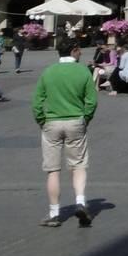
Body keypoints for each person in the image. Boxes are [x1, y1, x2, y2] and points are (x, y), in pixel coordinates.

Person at [33, 37, 97, 227]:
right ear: (74, 50)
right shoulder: (83, 71)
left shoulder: (48, 72)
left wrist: (41, 120)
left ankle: (54, 213)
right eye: (79, 50)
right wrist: (86, 118)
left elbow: (37, 101)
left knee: (53, 169)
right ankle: (80, 201)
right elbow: (91, 101)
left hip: (52, 122)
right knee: (78, 165)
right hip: (75, 121)